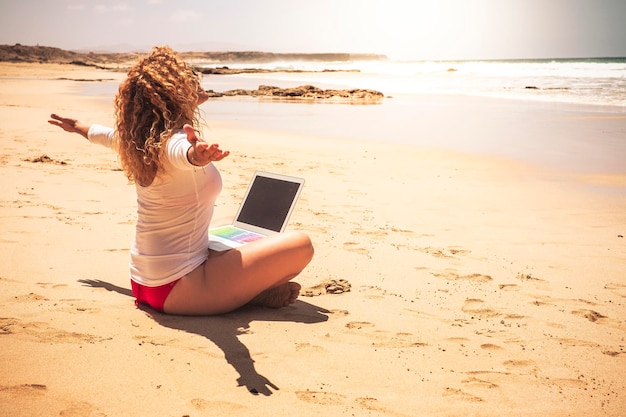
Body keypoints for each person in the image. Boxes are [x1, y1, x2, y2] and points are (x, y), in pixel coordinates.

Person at [48, 46, 314, 315]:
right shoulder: (172, 143)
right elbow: (180, 153)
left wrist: (78, 126)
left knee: (229, 225)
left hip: (144, 283)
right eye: (185, 76)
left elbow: (102, 134)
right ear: (173, 92)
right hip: (181, 289)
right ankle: (254, 293)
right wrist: (196, 156)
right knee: (301, 243)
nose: (194, 77)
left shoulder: (137, 141)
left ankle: (245, 288)